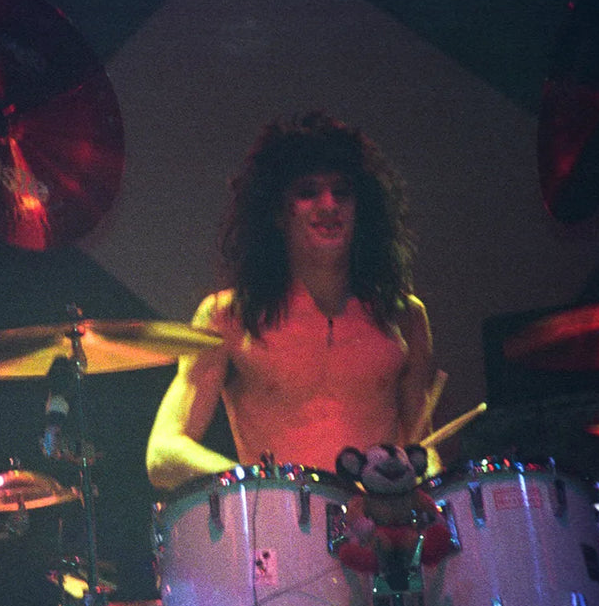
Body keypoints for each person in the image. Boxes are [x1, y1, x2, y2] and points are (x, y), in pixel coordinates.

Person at [146, 112, 443, 491]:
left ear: (362, 206)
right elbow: (164, 452)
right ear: (277, 212)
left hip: (378, 537)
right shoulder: (227, 316)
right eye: (308, 192)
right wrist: (260, 487)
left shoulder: (405, 317)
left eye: (342, 191)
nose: (329, 204)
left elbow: (424, 444)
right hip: (282, 536)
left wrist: (425, 477)